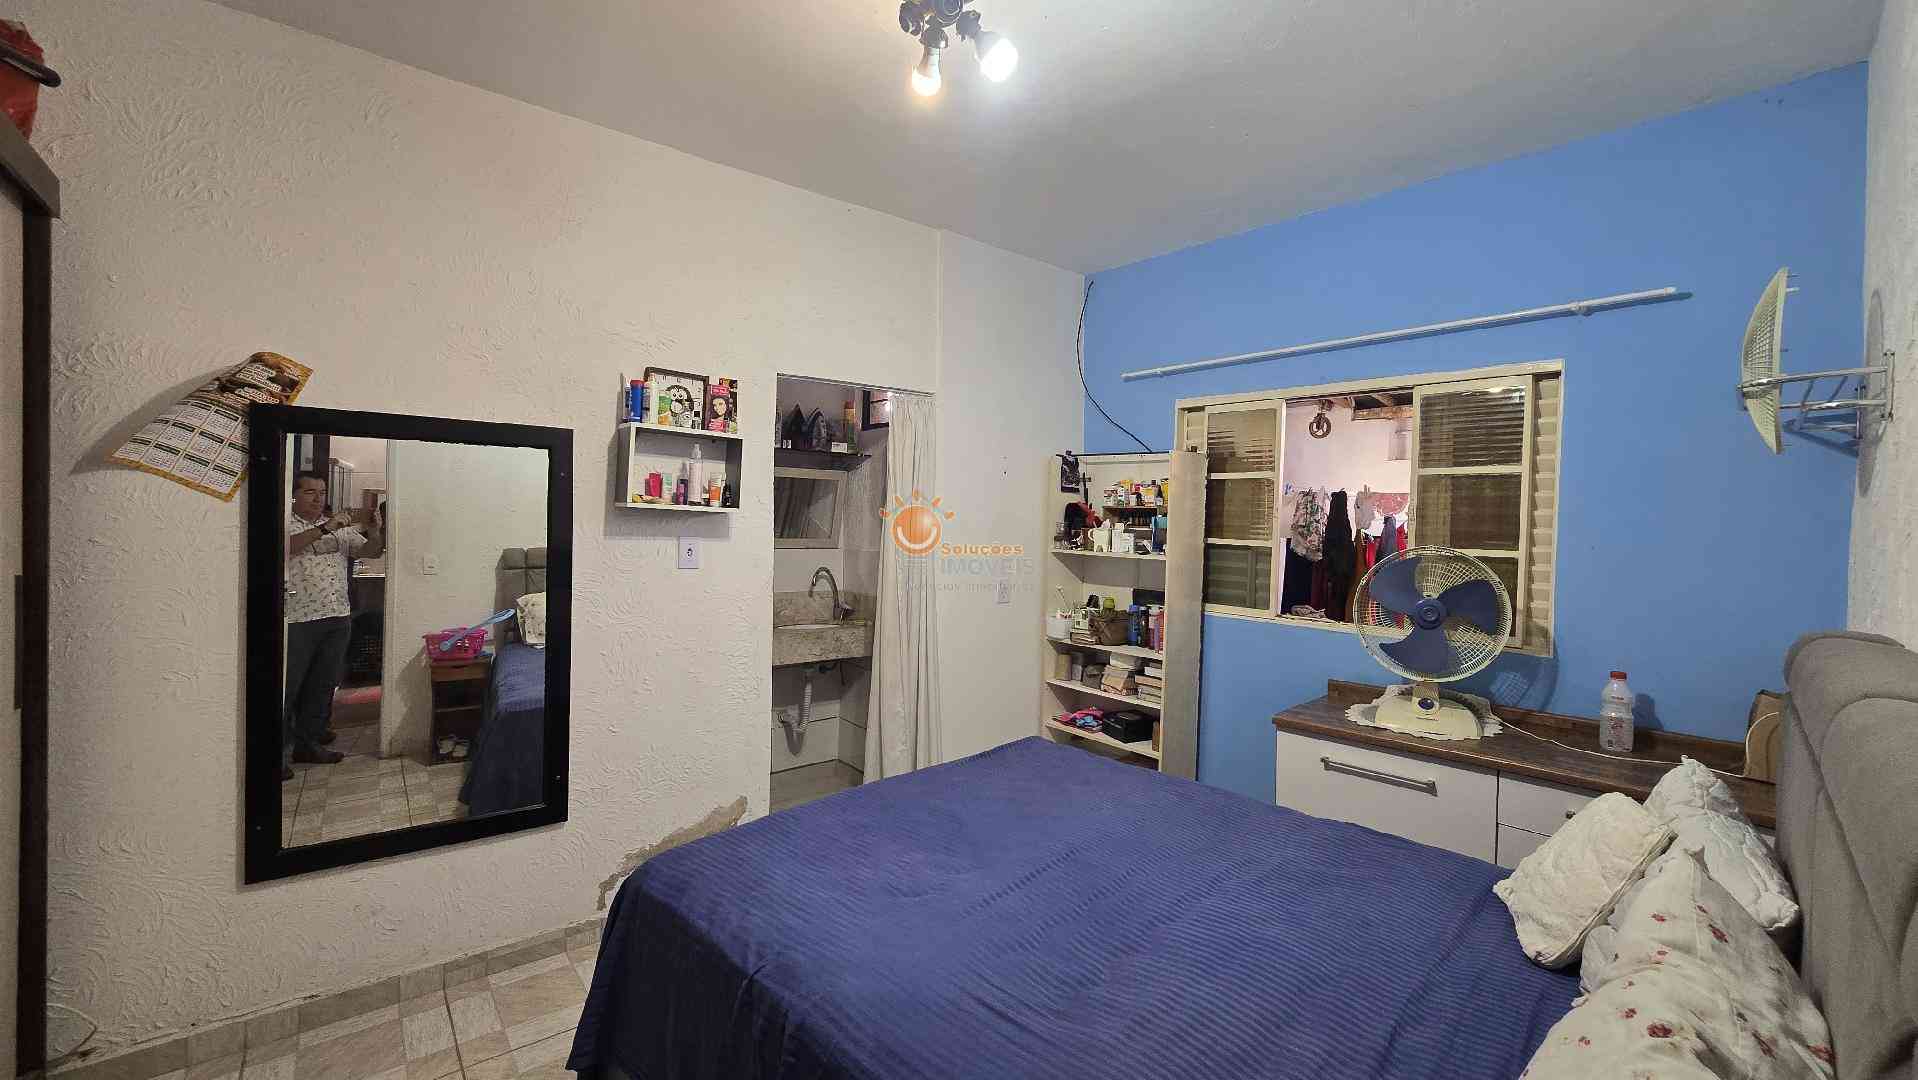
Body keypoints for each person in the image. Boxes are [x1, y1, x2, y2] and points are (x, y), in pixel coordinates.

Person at [284, 470, 383, 780]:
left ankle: (308, 744)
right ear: (294, 496)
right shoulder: (287, 523)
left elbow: (371, 551)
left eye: (322, 492)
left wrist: (374, 530)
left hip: (337, 616)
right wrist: (326, 527)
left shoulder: (340, 530)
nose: (318, 498)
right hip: (297, 618)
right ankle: (276, 753)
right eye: (310, 492)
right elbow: (287, 546)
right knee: (288, 688)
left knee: (323, 685)